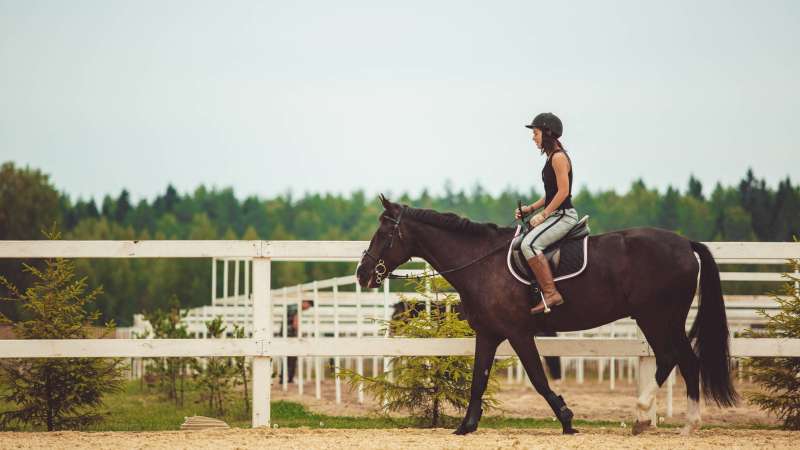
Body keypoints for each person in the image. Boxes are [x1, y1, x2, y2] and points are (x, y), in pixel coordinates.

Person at [514, 112, 579, 315]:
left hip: (563, 216)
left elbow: (563, 192)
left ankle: (551, 293)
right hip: (556, 213)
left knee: (530, 244)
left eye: (535, 133)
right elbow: (550, 194)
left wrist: (544, 215)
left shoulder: (559, 158)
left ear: (547, 133)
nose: (533, 137)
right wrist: (531, 209)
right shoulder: (552, 157)